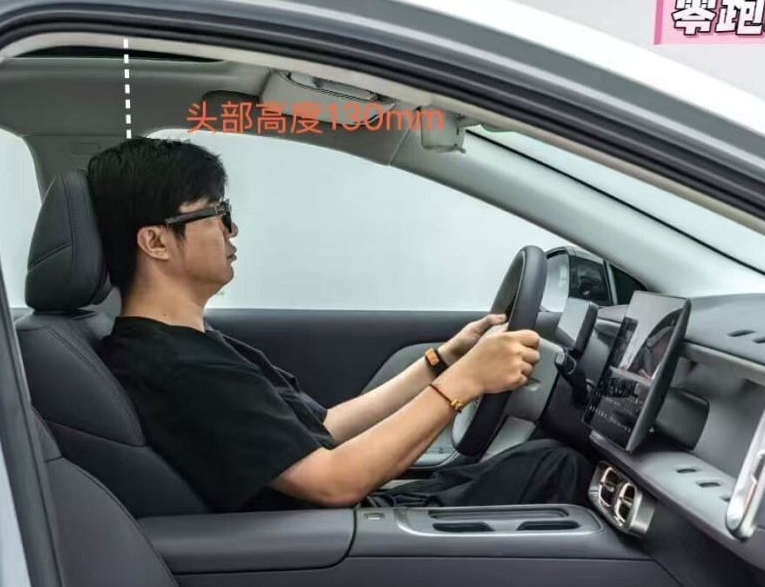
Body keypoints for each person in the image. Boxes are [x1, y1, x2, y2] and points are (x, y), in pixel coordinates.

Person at [92, 137, 591, 513]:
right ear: (156, 242)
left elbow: (321, 429)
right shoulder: (181, 368)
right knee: (558, 470)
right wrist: (465, 382)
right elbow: (332, 481)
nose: (231, 229)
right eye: (216, 213)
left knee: (544, 463)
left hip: (339, 527)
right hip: (331, 544)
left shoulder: (188, 345)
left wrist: (440, 363)